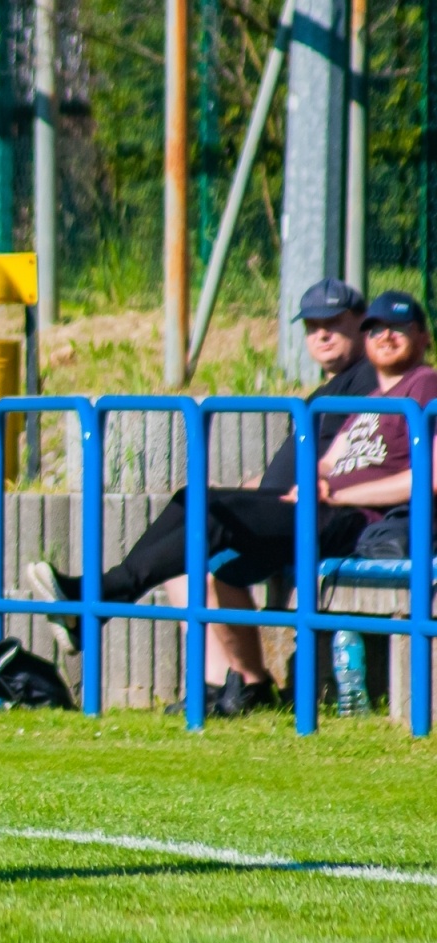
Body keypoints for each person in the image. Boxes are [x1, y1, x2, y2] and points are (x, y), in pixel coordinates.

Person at [27, 290, 437, 713]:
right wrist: (311, 479)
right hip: (318, 507)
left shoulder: (425, 383)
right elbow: (330, 461)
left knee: (217, 518)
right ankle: (96, 599)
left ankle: (98, 597)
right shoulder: (370, 401)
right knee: (195, 499)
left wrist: (337, 493)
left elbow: (431, 477)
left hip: (356, 519)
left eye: (399, 328)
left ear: (423, 336)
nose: (386, 336)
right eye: (377, 328)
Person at [162, 279, 377, 715]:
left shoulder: (374, 378)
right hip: (290, 509)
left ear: (362, 323)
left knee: (209, 558)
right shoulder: (329, 389)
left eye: (333, 323)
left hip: (335, 517)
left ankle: (249, 685)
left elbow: (369, 455)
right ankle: (226, 683)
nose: (321, 334)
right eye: (312, 325)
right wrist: (258, 488)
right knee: (182, 560)